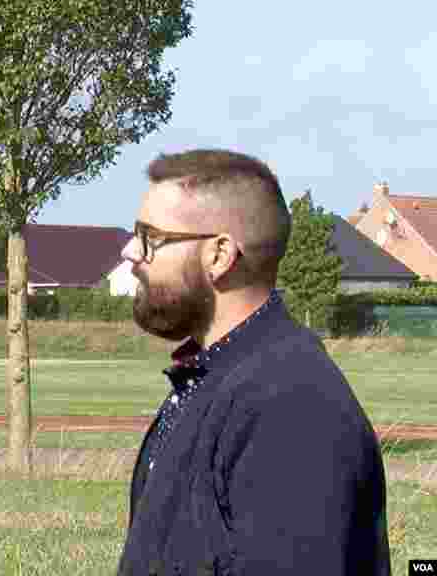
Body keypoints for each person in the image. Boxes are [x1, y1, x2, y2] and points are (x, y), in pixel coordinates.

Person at [115, 149, 390, 575]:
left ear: (220, 255)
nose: (131, 252)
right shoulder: (217, 379)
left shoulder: (289, 407)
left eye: (150, 237)